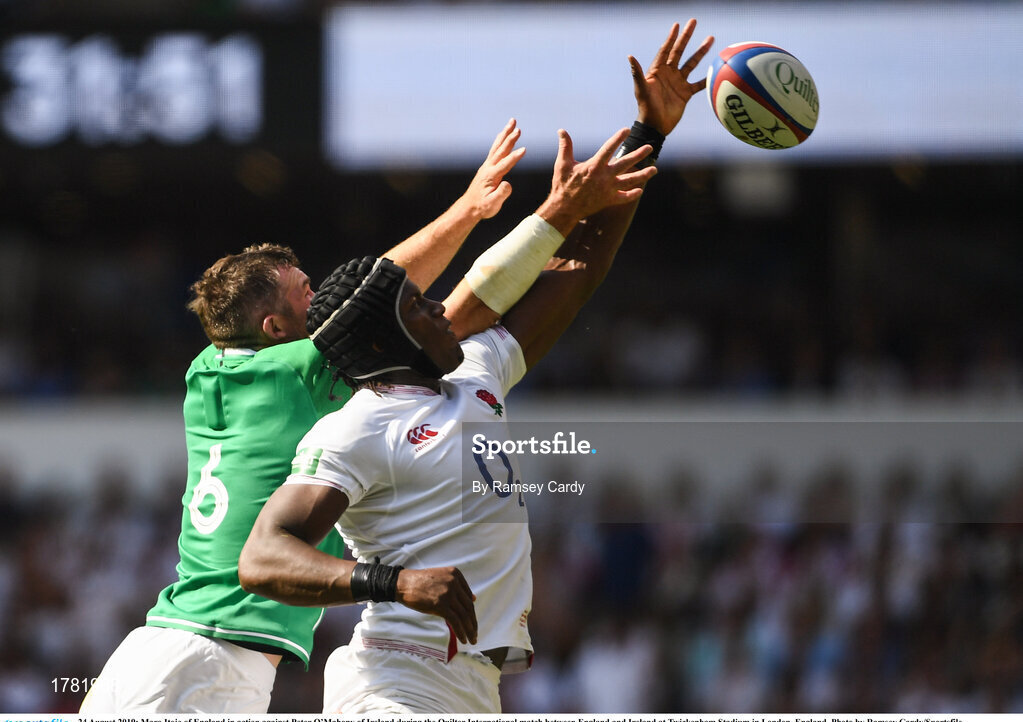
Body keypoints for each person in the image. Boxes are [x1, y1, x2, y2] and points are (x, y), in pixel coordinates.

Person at [238, 20, 713, 714]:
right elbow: (262, 557)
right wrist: (393, 583)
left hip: (472, 686)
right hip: (394, 681)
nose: (441, 308)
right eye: (417, 306)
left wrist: (649, 133)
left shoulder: (475, 372)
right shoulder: (356, 428)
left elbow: (577, 272)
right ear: (385, 343)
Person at [80, 120, 530, 714]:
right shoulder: (290, 374)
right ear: (273, 328)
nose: (322, 301)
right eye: (306, 294)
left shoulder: (207, 368)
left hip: (167, 652)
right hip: (206, 662)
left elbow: (389, 312)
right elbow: (374, 298)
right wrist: (469, 210)